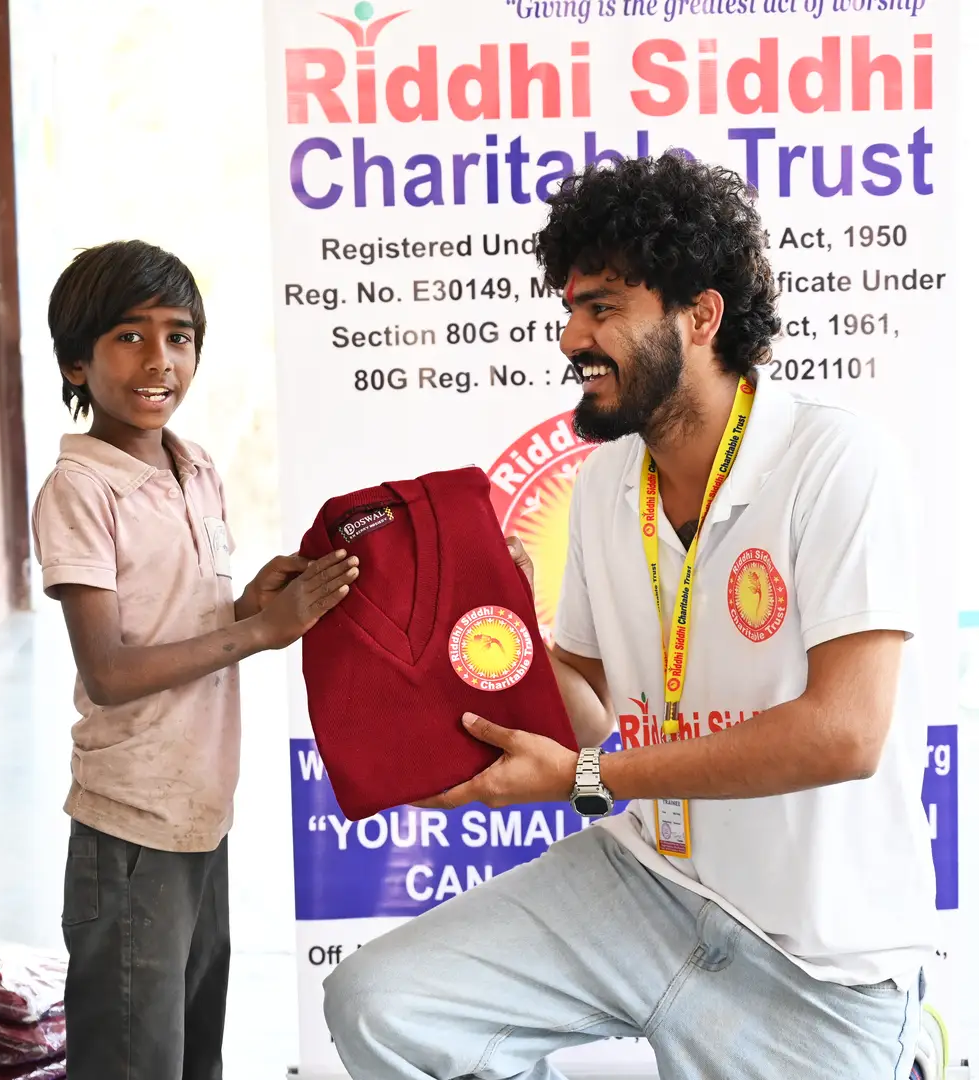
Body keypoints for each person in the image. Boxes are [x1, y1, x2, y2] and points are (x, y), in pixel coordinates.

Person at [323, 157, 938, 1079]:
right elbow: (586, 705)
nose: (570, 337)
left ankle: (902, 1049)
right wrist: (510, 624)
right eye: (570, 308)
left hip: (817, 966)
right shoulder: (609, 478)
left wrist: (583, 777)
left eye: (602, 307)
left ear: (700, 316)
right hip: (647, 881)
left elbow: (843, 735)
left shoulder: (836, 461)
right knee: (382, 1004)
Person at [30, 239, 358, 1079]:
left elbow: (177, 616)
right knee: (132, 1057)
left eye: (178, 336)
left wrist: (247, 604)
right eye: (129, 336)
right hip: (129, 822)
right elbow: (109, 670)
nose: (159, 359)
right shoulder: (79, 491)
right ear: (75, 363)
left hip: (202, 811)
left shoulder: (196, 467)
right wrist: (257, 633)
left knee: (189, 1049)